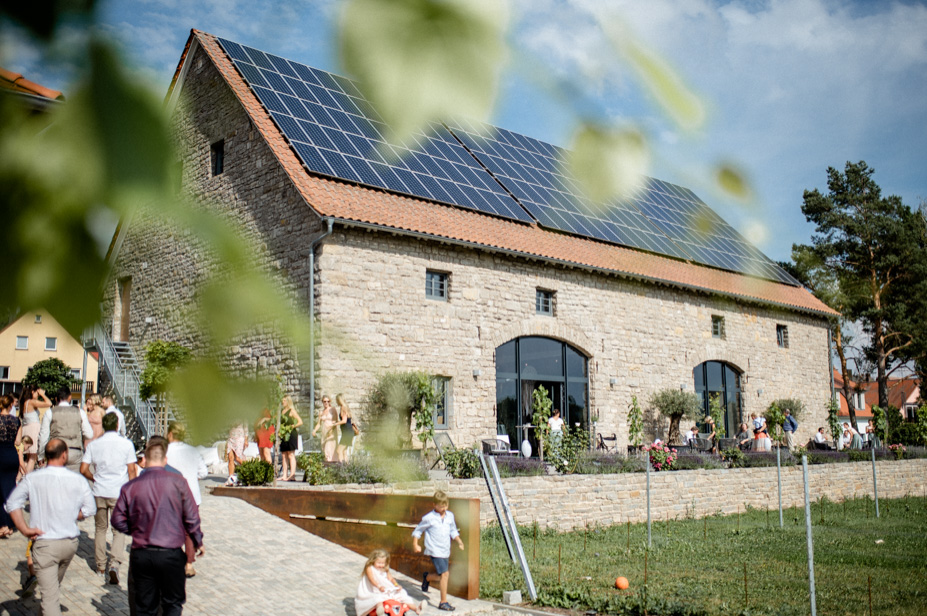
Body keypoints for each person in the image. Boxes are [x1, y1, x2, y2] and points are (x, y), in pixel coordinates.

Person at [112, 435, 204, 616]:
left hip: (142, 552)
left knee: (145, 606)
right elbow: (191, 516)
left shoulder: (131, 486)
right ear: (165, 459)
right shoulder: (179, 482)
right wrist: (197, 540)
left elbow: (117, 519)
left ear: (145, 460)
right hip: (170, 553)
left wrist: (135, 529)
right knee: (172, 603)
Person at [5, 439, 96, 616]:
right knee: (51, 593)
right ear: (64, 455)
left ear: (46, 456)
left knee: (49, 596)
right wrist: (72, 514)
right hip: (69, 544)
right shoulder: (77, 480)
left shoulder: (33, 479)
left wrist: (24, 529)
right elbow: (89, 509)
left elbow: (12, 503)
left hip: (45, 544)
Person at [81, 412, 138, 583]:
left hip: (99, 490)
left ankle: (100, 566)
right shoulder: (126, 444)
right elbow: (132, 471)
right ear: (117, 425)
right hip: (118, 492)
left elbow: (83, 469)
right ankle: (114, 564)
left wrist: (94, 478)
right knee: (118, 530)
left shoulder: (94, 445)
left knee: (100, 529)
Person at [166, 421, 208, 577]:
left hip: (170, 495)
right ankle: (189, 563)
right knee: (190, 530)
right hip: (192, 495)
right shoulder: (192, 451)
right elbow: (203, 472)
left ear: (170, 434)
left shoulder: (165, 451)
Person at [412, 490, 465, 612]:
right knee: (445, 575)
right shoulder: (429, 518)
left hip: (445, 550)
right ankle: (443, 602)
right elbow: (418, 530)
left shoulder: (450, 516)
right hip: (434, 549)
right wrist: (415, 544)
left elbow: (453, 530)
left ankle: (427, 577)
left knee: (442, 575)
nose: (444, 508)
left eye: (445, 505)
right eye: (441, 506)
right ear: (434, 505)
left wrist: (459, 541)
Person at [38, 386, 93, 473]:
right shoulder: (80, 412)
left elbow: (43, 436)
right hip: (74, 452)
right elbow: (89, 434)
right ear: (70, 397)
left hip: (56, 452)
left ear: (56, 398)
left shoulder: (50, 412)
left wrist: (41, 455)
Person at [355, 549, 425, 616]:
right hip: (373, 589)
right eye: (379, 563)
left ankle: (416, 609)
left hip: (385, 589)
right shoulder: (370, 568)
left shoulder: (384, 568)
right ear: (373, 561)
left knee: (402, 594)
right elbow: (372, 579)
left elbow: (391, 578)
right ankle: (380, 610)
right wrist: (379, 586)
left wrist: (396, 585)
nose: (381, 565)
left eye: (383, 563)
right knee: (377, 598)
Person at [1, 394, 23, 538]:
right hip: (11, 455)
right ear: (11, 406)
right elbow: (18, 441)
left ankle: (2, 525)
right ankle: (10, 524)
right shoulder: (16, 421)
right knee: (10, 490)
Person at [18, 385, 52, 474]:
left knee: (28, 458)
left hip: (26, 428)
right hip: (33, 429)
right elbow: (49, 403)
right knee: (33, 457)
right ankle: (27, 479)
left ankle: (19, 478)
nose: (38, 394)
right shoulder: (32, 402)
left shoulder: (25, 402)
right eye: (37, 392)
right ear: (32, 392)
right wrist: (43, 395)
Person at [278, 396, 303, 481]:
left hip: (291, 433)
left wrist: (292, 426)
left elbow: (300, 421)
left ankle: (292, 475)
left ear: (288, 402)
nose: (283, 402)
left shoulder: (292, 411)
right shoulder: (281, 412)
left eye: (284, 400)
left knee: (291, 454)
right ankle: (284, 475)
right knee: (284, 454)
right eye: (282, 400)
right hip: (283, 434)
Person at [312, 395, 338, 463]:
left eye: (328, 401)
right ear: (322, 402)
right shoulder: (321, 412)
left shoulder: (333, 409)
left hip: (331, 432)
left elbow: (335, 421)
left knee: (329, 450)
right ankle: (328, 468)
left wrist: (331, 430)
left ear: (330, 402)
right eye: (324, 401)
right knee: (325, 452)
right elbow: (319, 424)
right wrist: (314, 430)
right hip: (324, 432)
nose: (326, 403)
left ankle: (332, 466)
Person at [336, 393, 356, 463]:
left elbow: (344, 421)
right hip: (349, 432)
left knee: (339, 451)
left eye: (337, 400)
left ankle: (341, 468)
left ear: (339, 400)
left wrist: (334, 424)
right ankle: (347, 468)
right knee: (344, 451)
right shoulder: (346, 407)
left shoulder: (343, 407)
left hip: (347, 432)